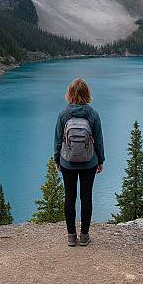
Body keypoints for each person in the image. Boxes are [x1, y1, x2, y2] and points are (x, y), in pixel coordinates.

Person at [54, 78, 104, 247]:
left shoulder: (63, 114)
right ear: (87, 94)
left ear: (70, 94)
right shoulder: (93, 114)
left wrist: (57, 159)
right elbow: (98, 141)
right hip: (89, 162)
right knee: (86, 197)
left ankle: (70, 236)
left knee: (69, 196)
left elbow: (58, 140)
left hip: (67, 162)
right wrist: (100, 160)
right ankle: (84, 236)